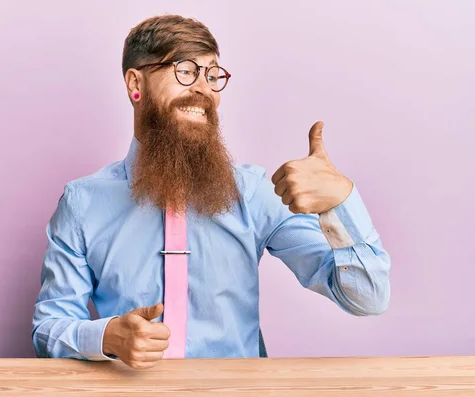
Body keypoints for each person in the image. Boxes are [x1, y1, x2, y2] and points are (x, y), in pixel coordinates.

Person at [31, 14, 391, 370]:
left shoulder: (252, 193)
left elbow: (368, 298)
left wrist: (339, 205)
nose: (203, 89)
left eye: (212, 74)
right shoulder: (82, 203)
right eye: (184, 70)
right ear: (134, 84)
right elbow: (48, 328)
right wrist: (107, 337)